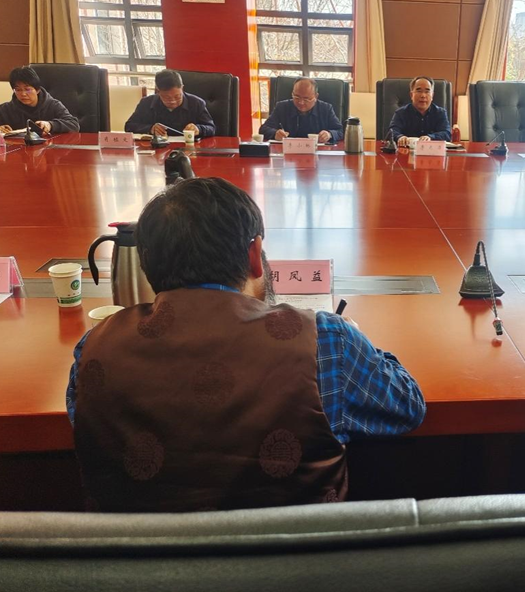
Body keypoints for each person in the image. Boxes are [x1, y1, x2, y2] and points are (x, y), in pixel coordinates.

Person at [66, 177, 425, 512]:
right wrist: (355, 338)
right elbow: (407, 406)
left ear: (147, 264)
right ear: (255, 254)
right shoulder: (327, 341)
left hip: (141, 558)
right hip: (301, 554)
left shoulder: (95, 349)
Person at [0, 66, 79, 134]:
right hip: (18, 153)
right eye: (18, 90)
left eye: (27, 89)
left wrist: (50, 125)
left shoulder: (52, 105)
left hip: (48, 153)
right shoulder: (8, 108)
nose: (23, 94)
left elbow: (74, 124)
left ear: (37, 90)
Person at [125, 69, 216, 138]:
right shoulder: (146, 103)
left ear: (182, 88)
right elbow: (129, 126)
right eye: (167, 97)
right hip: (157, 151)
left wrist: (198, 129)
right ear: (158, 91)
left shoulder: (196, 103)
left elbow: (211, 128)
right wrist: (150, 128)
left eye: (177, 96)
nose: (173, 101)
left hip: (188, 150)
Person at [259, 77, 343, 144]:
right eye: (297, 97)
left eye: (306, 99)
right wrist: (275, 133)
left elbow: (340, 131)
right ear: (292, 93)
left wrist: (329, 134)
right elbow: (263, 129)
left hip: (317, 154)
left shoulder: (326, 109)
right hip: (289, 153)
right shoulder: (282, 107)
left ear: (316, 96)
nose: (301, 102)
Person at [388, 76, 451, 147]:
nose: (423, 95)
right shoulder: (401, 113)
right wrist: (400, 137)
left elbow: (446, 133)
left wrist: (431, 137)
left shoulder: (440, 113)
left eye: (427, 91)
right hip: (406, 151)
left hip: (431, 151)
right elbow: (392, 131)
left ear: (432, 96)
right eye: (419, 91)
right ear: (411, 95)